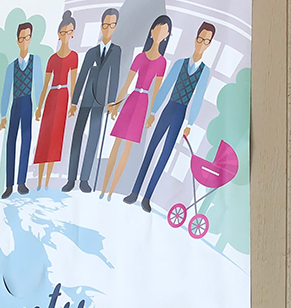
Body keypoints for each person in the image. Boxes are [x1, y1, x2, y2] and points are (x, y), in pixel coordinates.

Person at [124, 22, 214, 213]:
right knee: (151, 148)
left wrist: (190, 123)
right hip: (168, 108)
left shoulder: (204, 71)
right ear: (195, 38)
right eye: (200, 39)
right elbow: (165, 87)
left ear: (209, 44)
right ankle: (134, 192)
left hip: (181, 113)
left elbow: (197, 98)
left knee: (164, 155)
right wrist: (154, 112)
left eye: (206, 41)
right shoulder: (180, 63)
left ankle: (147, 197)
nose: (201, 44)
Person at [99, 15, 171, 201]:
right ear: (152, 31)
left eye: (164, 30)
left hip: (143, 104)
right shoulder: (140, 57)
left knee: (127, 148)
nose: (159, 32)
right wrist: (116, 104)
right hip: (131, 99)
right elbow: (126, 84)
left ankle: (112, 190)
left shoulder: (162, 63)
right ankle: (103, 188)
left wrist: (152, 113)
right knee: (116, 145)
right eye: (157, 28)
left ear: (167, 35)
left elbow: (156, 91)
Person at [62, 8, 121, 194]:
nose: (108, 29)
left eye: (112, 25)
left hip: (101, 101)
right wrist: (74, 102)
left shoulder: (116, 51)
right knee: (77, 136)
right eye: (105, 25)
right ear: (101, 26)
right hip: (86, 99)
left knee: (94, 139)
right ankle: (71, 178)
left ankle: (85, 179)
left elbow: (115, 76)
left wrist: (112, 102)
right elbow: (81, 77)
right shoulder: (91, 52)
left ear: (115, 26)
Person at [33, 10, 78, 191]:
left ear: (72, 33)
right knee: (44, 138)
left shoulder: (74, 56)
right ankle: (38, 182)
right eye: (63, 32)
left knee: (55, 141)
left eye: (69, 31)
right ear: (58, 34)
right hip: (52, 95)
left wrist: (73, 103)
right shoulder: (52, 58)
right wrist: (39, 106)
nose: (66, 35)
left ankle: (47, 182)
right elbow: (45, 85)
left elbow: (73, 83)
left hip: (63, 96)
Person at [1, 21, 43, 199]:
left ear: (31, 38)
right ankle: (9, 184)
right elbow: (6, 90)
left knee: (26, 140)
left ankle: (21, 182)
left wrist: (39, 106)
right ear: (17, 41)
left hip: (28, 102)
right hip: (15, 103)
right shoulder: (12, 66)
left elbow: (39, 84)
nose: (25, 41)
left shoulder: (35, 61)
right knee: (11, 141)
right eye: (21, 38)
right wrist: (3, 114)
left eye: (27, 37)